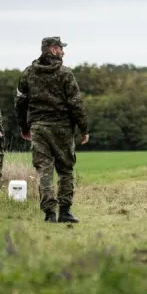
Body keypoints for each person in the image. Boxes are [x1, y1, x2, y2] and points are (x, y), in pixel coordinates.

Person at [14, 36, 89, 223]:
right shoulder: (65, 74)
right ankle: (65, 211)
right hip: (62, 127)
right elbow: (76, 104)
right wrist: (83, 128)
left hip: (38, 128)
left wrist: (24, 126)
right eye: (61, 48)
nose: (63, 52)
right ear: (53, 50)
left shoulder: (28, 73)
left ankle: (49, 213)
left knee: (44, 171)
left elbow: (20, 103)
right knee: (65, 170)